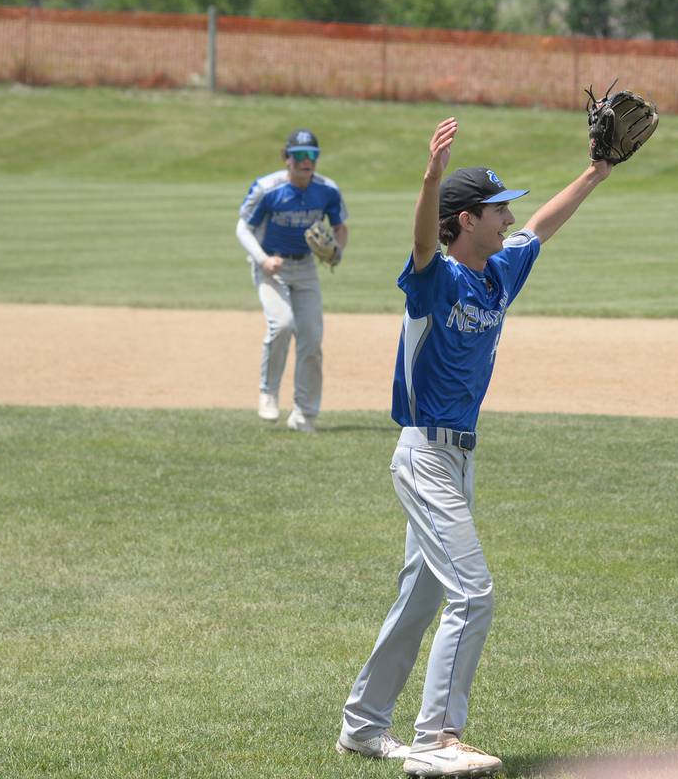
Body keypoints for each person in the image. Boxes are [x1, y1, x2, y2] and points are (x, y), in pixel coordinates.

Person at [336, 117, 612, 777]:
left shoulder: (497, 275)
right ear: (465, 220)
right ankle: (436, 739)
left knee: (422, 598)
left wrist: (596, 172)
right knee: (474, 593)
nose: (508, 217)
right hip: (425, 453)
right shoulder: (436, 278)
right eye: (497, 209)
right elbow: (422, 241)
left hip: (459, 459)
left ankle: (365, 727)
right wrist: (431, 179)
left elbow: (541, 226)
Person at [236, 129, 349, 432]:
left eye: (312, 155)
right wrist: (262, 259)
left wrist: (337, 250)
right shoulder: (267, 189)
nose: (306, 161)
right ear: (286, 158)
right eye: (299, 155)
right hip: (272, 266)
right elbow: (243, 228)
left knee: (311, 339)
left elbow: (340, 227)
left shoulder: (327, 190)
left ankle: (304, 414)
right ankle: (268, 393)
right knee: (283, 324)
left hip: (306, 269)